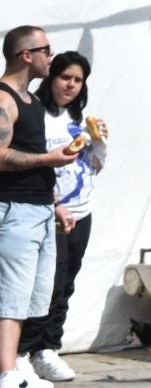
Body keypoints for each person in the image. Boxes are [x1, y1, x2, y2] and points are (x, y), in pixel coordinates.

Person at [19, 54, 104, 385]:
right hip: (49, 210)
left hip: (82, 210)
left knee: (66, 282)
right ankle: (23, 351)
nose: (71, 85)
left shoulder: (79, 118)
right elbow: (34, 165)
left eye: (78, 80)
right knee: (45, 285)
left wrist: (100, 144)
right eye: (65, 77)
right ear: (51, 78)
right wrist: (55, 205)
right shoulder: (35, 115)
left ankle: (47, 348)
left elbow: (94, 166)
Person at [0, 28, 77, 388]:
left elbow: (33, 154)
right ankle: (6, 373)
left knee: (35, 297)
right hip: (14, 210)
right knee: (12, 297)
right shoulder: (3, 99)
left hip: (40, 208)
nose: (52, 55)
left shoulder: (30, 100)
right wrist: (49, 159)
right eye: (46, 49)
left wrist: (56, 205)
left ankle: (17, 365)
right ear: (26, 55)